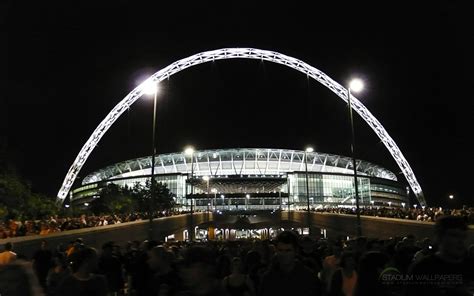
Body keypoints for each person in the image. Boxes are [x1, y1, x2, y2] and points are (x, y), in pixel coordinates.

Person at [406, 215, 473, 296]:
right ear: (439, 237)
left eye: (463, 236)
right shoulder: (422, 269)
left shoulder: (471, 266)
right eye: (454, 235)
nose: (461, 241)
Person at [259, 231, 321, 296]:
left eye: (288, 250)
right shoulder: (268, 278)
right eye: (280, 250)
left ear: (296, 251)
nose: (283, 254)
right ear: (276, 251)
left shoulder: (308, 278)